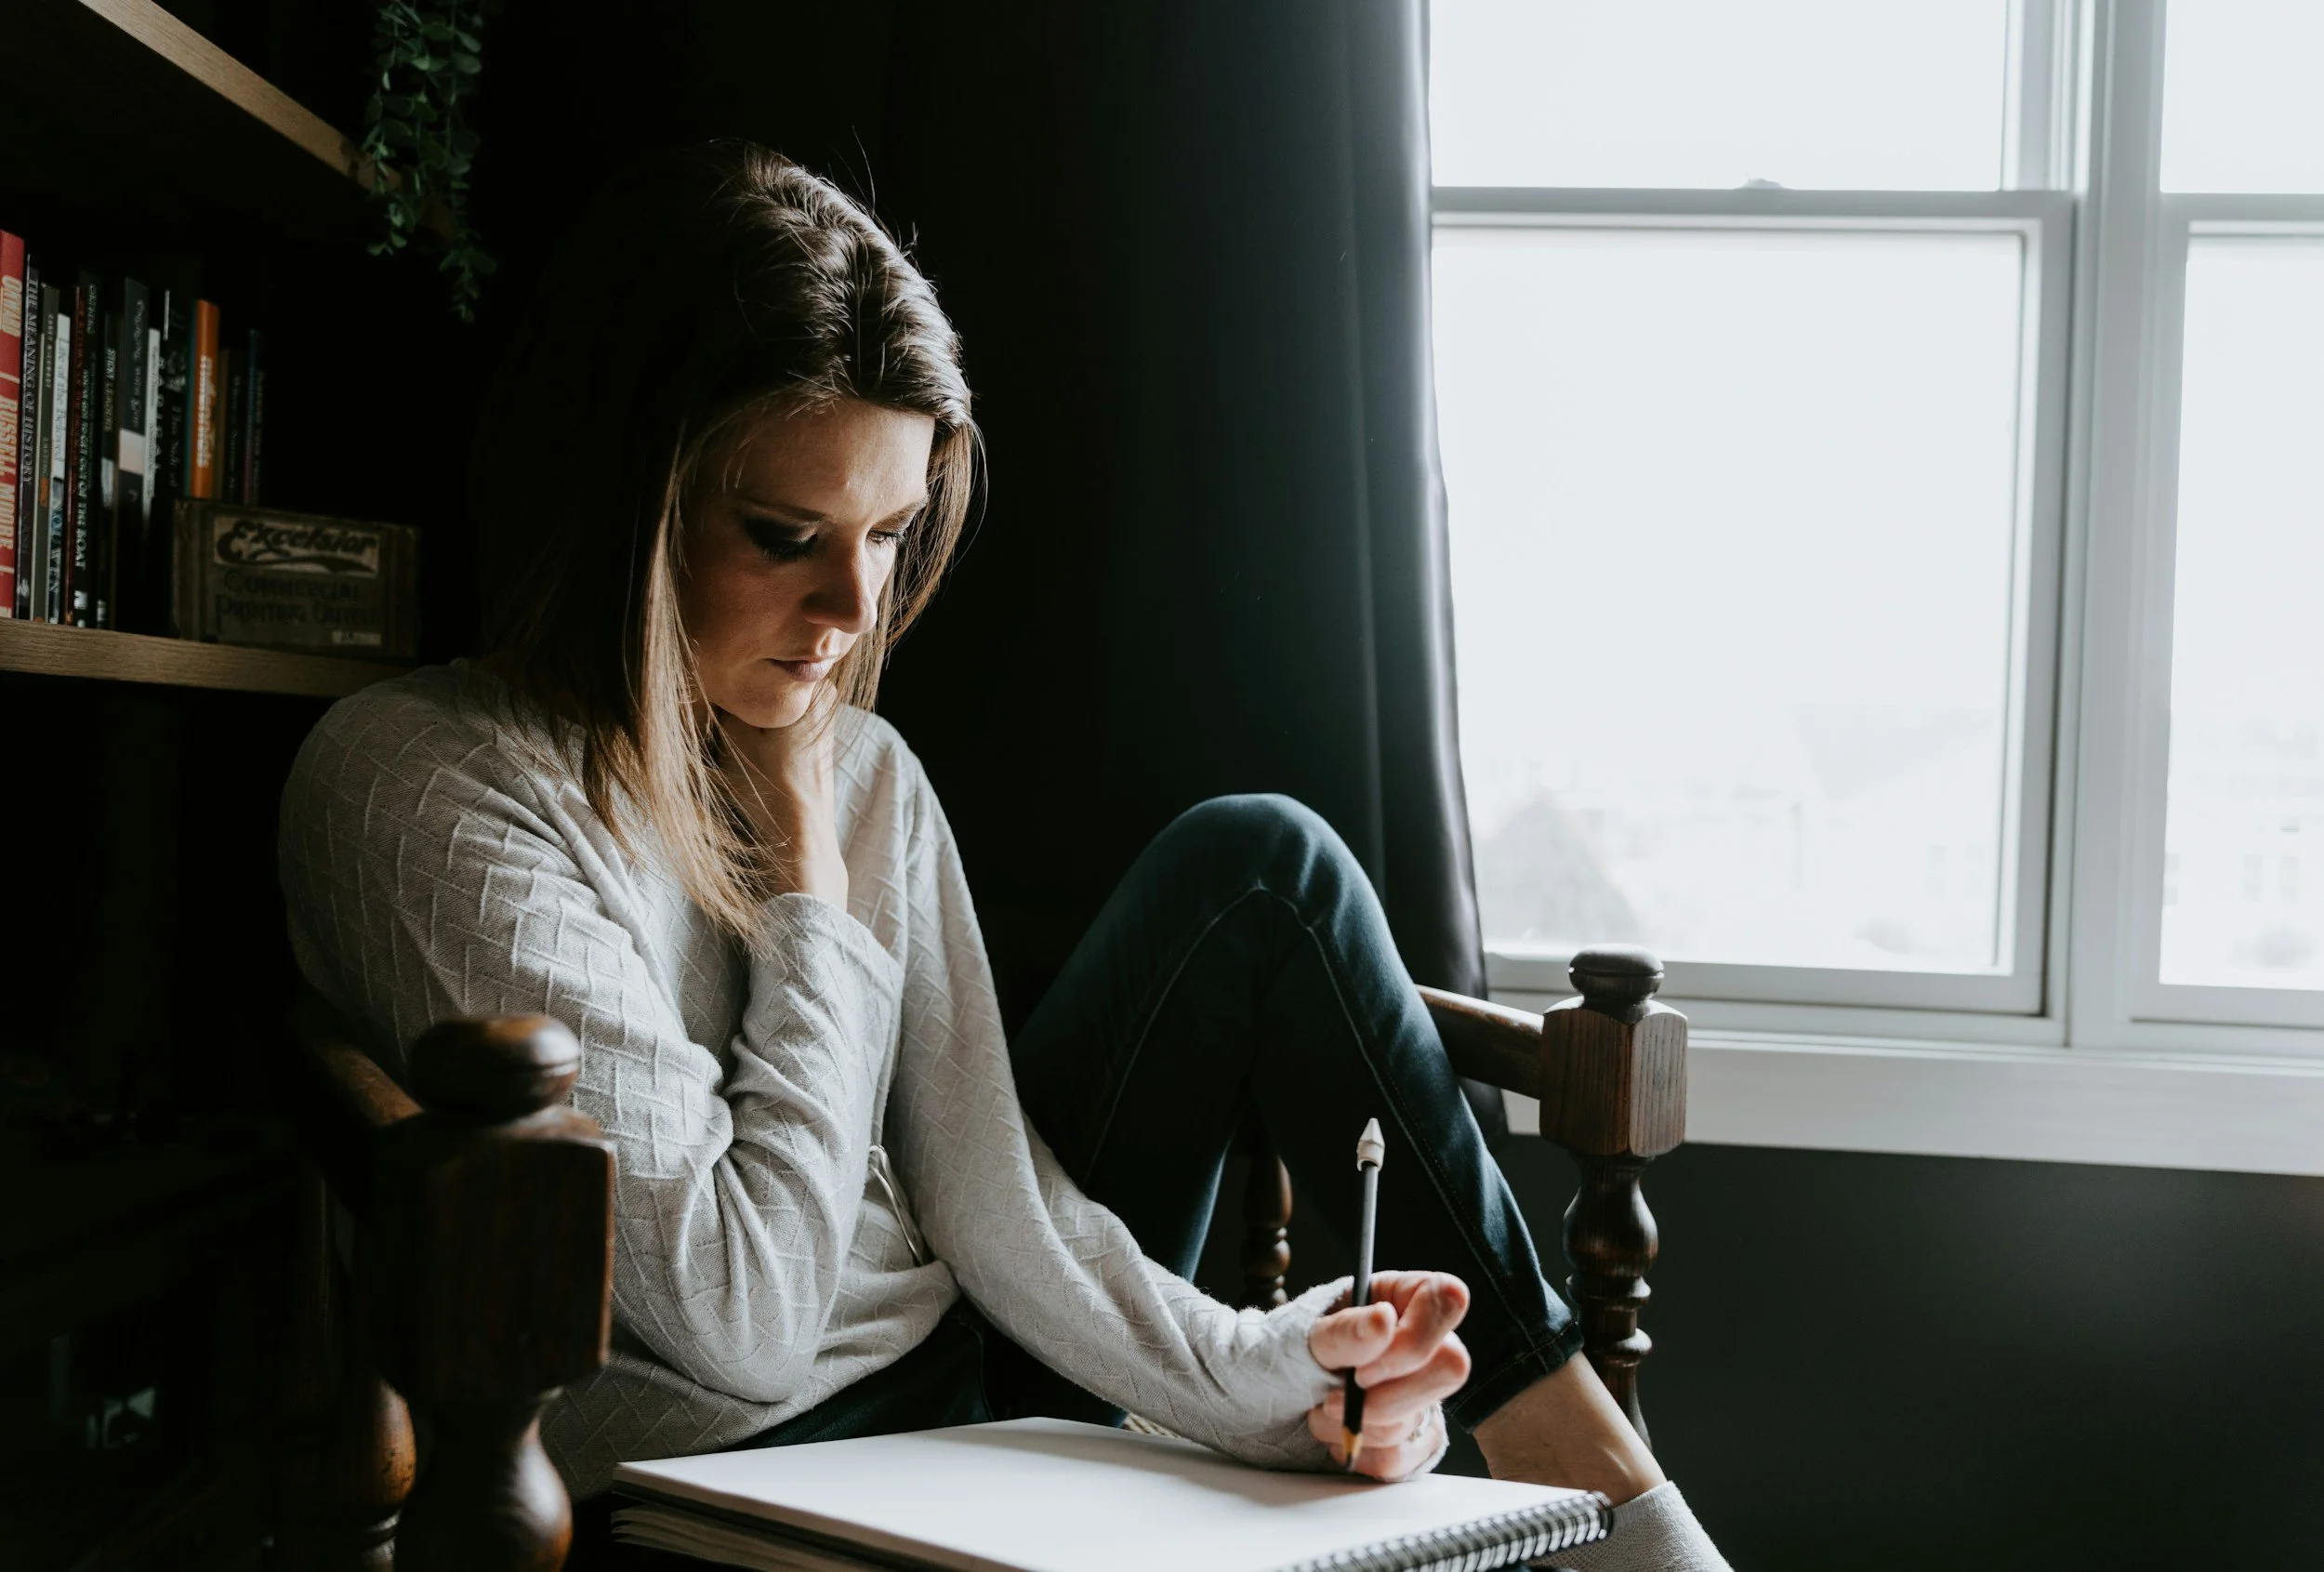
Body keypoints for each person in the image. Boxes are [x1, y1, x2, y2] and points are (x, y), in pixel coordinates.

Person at [277, 141, 1727, 1571]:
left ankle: (1612, 1506)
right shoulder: (427, 785)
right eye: (786, 533)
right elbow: (741, 1315)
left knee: (1264, 864)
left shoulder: (856, 765)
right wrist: (809, 898)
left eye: (891, 534)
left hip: (975, 1401)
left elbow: (993, 1202)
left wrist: (1275, 1382)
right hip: (745, 1477)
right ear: (628, 505)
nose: (853, 605)